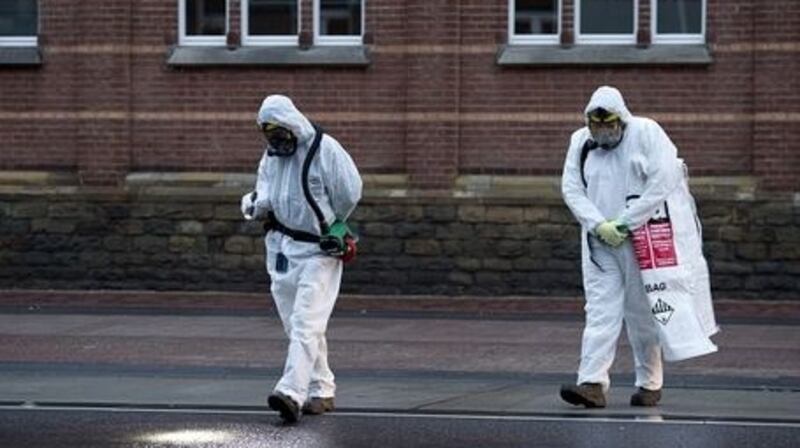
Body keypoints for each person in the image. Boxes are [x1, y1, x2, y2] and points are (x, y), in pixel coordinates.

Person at [559, 86, 714, 408]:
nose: (603, 133)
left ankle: (649, 383)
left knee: (642, 315)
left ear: (621, 120)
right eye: (596, 126)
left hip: (640, 240)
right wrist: (597, 224)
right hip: (599, 243)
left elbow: (663, 181)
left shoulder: (646, 133)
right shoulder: (580, 142)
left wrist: (626, 222)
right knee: (600, 312)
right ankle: (591, 383)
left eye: (608, 125)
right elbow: (572, 188)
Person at [241, 94, 362, 422]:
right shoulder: (272, 158)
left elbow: (350, 192)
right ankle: (321, 389)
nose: (277, 142)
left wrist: (332, 223)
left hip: (318, 250)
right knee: (296, 323)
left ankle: (290, 392)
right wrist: (253, 206)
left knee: (306, 322)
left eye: (280, 134)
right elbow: (265, 194)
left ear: (292, 125)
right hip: (281, 249)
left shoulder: (325, 150)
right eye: (270, 136)